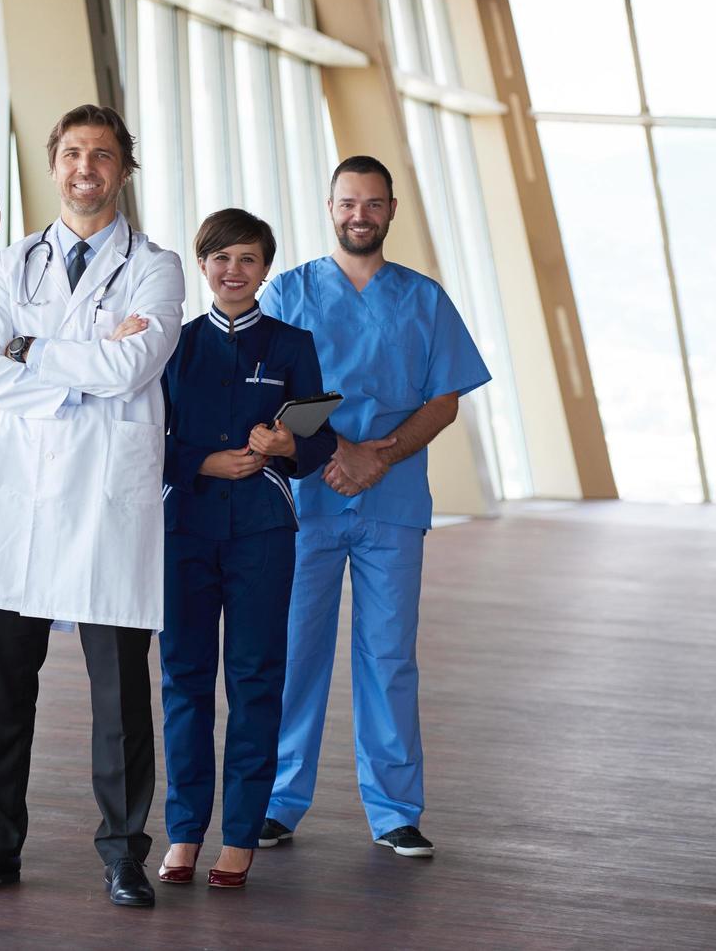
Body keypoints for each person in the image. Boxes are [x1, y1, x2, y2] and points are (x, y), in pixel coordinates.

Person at [0, 105, 184, 908]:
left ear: (123, 169)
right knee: (3, 697)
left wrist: (33, 352)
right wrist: (92, 362)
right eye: (73, 153)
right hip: (27, 501)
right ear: (53, 164)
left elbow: (138, 363)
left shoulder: (157, 265)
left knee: (119, 703)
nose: (86, 168)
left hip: (108, 504)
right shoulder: (13, 264)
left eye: (103, 156)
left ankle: (122, 855)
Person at [258, 155, 490, 858]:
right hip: (305, 499)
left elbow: (444, 399)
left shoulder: (423, 299)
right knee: (293, 653)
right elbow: (261, 387)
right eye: (346, 202)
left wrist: (376, 456)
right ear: (329, 207)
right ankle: (275, 801)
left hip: (390, 501)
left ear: (391, 211)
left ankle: (393, 810)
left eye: (372, 203)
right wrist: (336, 453)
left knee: (388, 656)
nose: (358, 214)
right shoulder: (288, 292)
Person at [156, 209, 336, 890]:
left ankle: (239, 836)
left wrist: (288, 445)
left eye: (248, 259)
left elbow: (318, 440)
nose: (233, 270)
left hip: (263, 530)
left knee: (256, 679)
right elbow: (151, 439)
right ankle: (182, 832)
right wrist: (202, 463)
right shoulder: (175, 345)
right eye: (220, 257)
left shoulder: (292, 345)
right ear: (202, 264)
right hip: (186, 529)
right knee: (183, 680)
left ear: (265, 268)